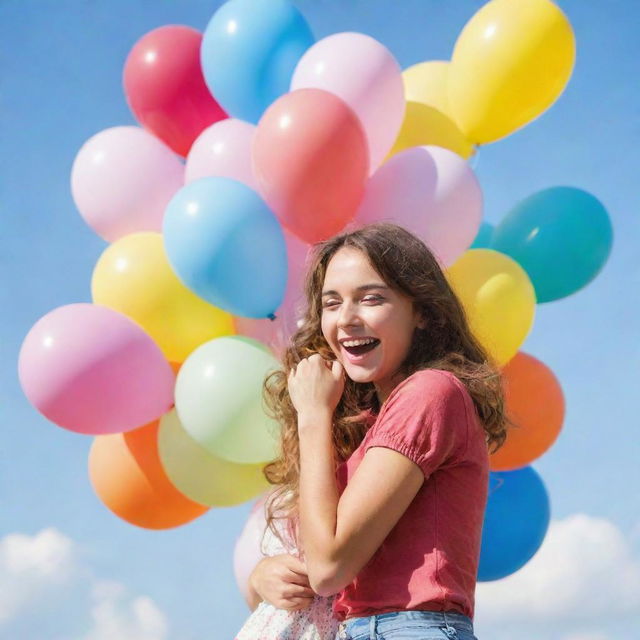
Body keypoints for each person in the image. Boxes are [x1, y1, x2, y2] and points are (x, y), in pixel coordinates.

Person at [240, 222, 510, 640]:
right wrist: (262, 577)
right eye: (331, 303)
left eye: (371, 299)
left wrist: (313, 417)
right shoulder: (365, 427)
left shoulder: (431, 392)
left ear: (422, 311)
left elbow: (329, 568)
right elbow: (319, 565)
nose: (347, 319)